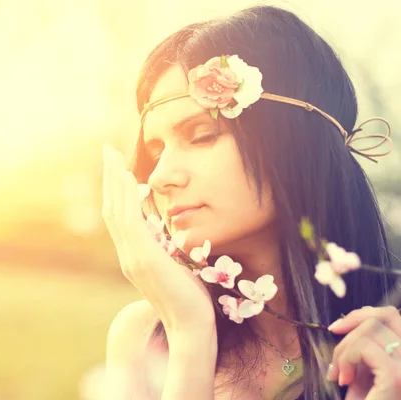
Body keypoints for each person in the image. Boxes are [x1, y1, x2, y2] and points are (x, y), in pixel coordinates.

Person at [101, 5, 400, 400]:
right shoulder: (143, 339)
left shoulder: (389, 341)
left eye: (202, 135)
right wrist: (190, 334)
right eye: (156, 151)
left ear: (293, 142)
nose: (159, 177)